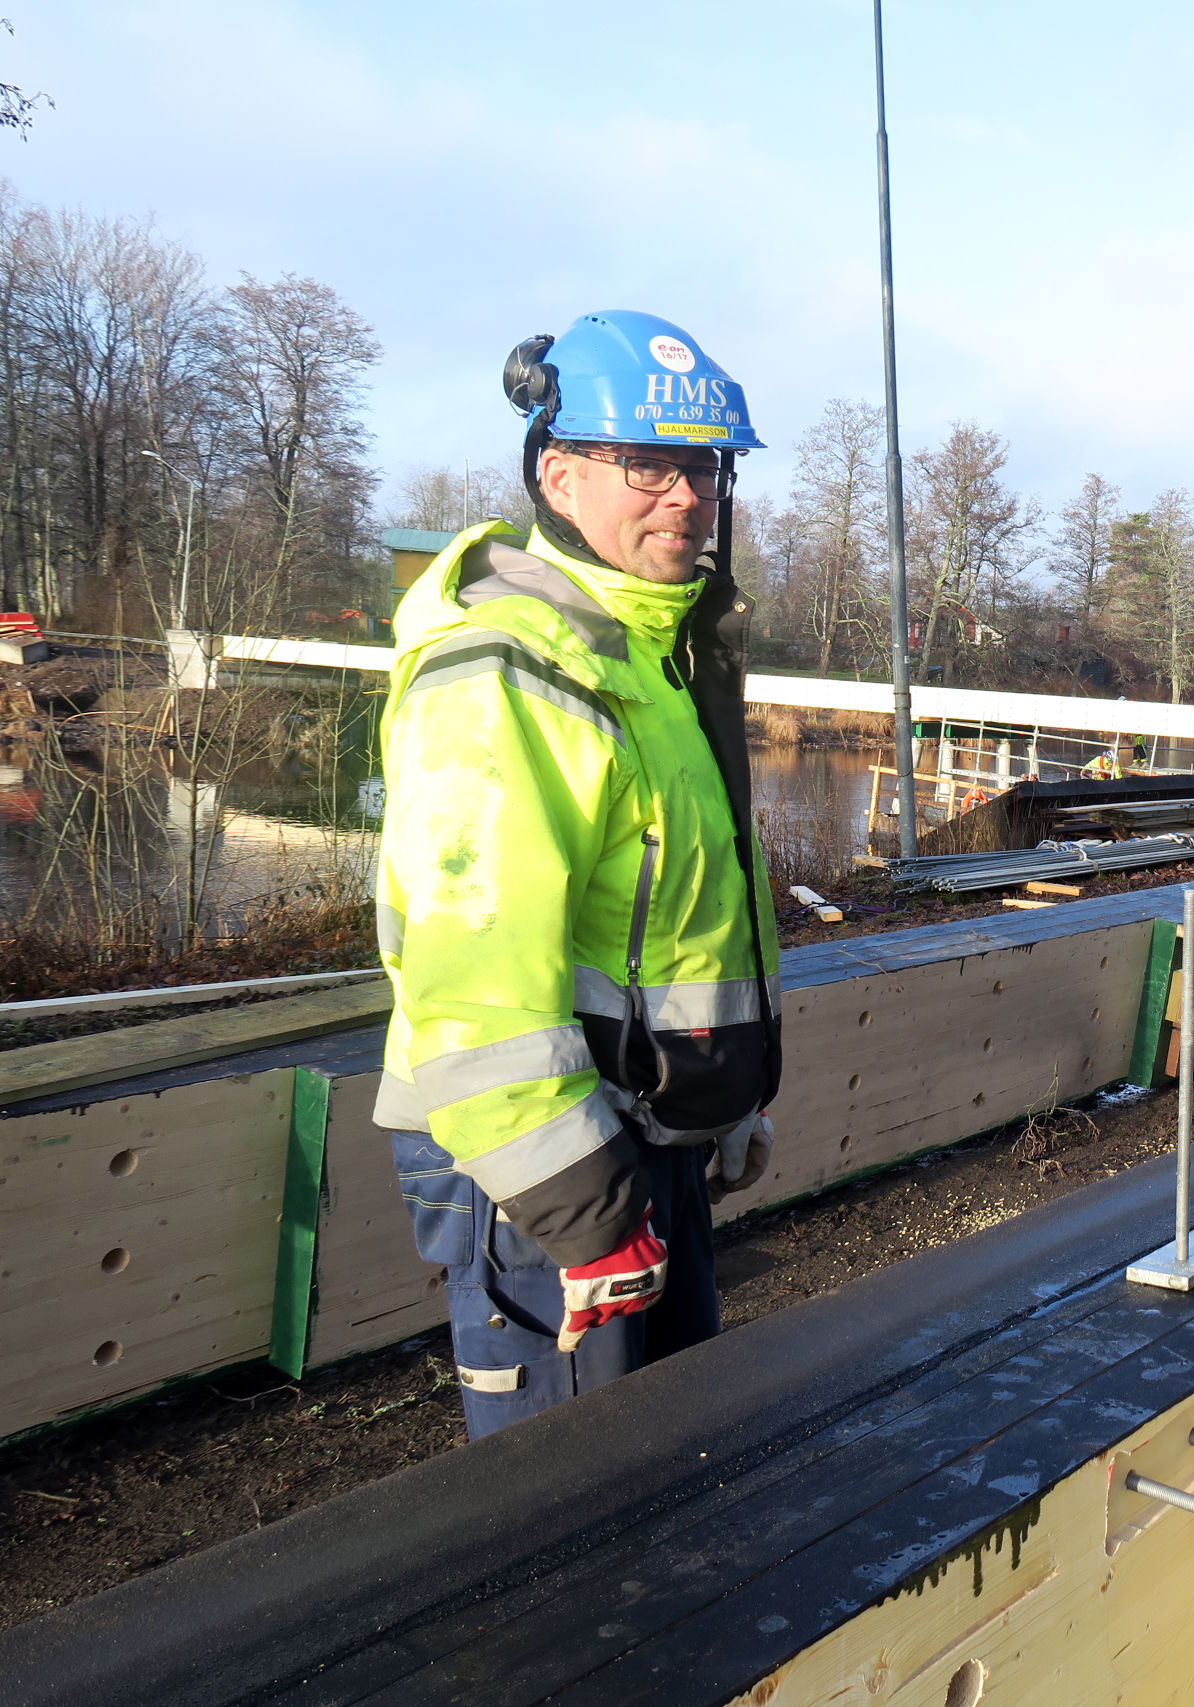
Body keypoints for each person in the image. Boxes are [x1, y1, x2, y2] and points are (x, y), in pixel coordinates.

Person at [372, 310, 783, 1438]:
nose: (686, 496)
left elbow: (687, 927)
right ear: (557, 473)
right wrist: (581, 1209)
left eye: (703, 465)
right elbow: (472, 985)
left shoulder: (655, 662)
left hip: (652, 1137)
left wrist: (723, 1097)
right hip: (543, 1163)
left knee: (669, 1469)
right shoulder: (508, 675)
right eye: (646, 463)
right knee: (564, 1521)